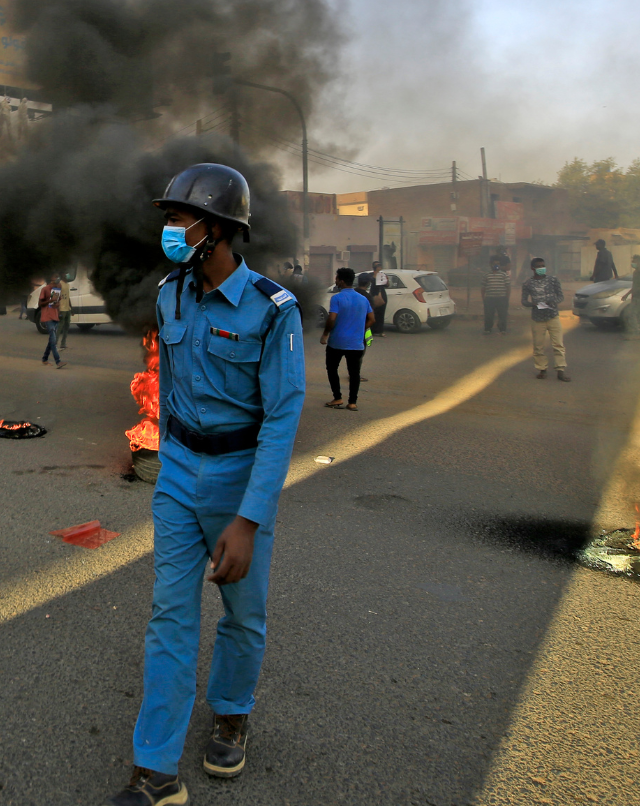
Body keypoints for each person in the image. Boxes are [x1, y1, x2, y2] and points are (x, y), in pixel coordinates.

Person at [107, 164, 304, 806]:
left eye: (177, 219)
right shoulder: (171, 293)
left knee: (243, 614)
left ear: (214, 229)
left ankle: (232, 712)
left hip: (237, 479)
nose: (168, 230)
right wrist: (167, 458)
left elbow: (281, 419)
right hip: (178, 473)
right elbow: (167, 385)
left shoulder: (273, 310)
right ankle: (156, 769)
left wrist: (248, 519)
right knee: (169, 615)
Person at [321, 267, 372, 410]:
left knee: (332, 369)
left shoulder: (337, 298)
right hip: (356, 343)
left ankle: (337, 398)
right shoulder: (363, 299)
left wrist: (325, 334)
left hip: (337, 342)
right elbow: (372, 319)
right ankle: (352, 402)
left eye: (337, 278)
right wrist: (359, 329)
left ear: (342, 281)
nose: (336, 281)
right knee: (354, 373)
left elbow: (332, 318)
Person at [521, 257, 568, 381]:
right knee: (538, 346)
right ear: (532, 268)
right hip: (537, 318)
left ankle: (560, 370)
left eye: (543, 266)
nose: (541, 268)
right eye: (539, 266)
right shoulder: (528, 284)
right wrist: (533, 304)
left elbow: (561, 296)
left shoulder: (553, 280)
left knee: (558, 345)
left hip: (553, 316)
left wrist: (553, 302)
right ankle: (542, 369)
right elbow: (524, 301)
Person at [36, 275, 65, 368]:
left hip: (55, 317)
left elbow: (57, 302)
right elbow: (40, 303)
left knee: (51, 341)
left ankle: (44, 359)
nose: (57, 279)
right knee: (53, 340)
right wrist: (49, 301)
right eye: (55, 277)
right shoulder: (45, 289)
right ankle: (58, 361)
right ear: (51, 279)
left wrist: (57, 307)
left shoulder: (57, 290)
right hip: (47, 317)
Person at [482, 258, 511, 334]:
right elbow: (483, 287)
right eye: (494, 263)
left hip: (502, 298)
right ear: (491, 265)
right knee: (488, 315)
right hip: (489, 298)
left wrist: (506, 298)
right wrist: (483, 298)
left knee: (502, 315)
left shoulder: (504, 275)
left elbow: (508, 287)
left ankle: (502, 329)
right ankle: (487, 329)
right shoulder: (486, 275)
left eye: (498, 264)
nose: (496, 265)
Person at [368, 260, 389, 332]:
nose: (379, 267)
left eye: (379, 265)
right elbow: (372, 281)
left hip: (381, 295)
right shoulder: (371, 275)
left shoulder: (382, 275)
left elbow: (387, 285)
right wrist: (376, 273)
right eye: (377, 266)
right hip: (373, 294)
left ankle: (380, 330)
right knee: (373, 313)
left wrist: (386, 280)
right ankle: (372, 330)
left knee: (381, 313)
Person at [57, 273, 74, 349]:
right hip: (61, 309)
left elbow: (67, 297)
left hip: (67, 309)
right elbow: (54, 297)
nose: (68, 275)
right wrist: (57, 309)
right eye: (66, 274)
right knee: (59, 327)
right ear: (62, 275)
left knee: (66, 327)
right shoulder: (59, 284)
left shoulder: (67, 285)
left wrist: (71, 308)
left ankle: (63, 343)